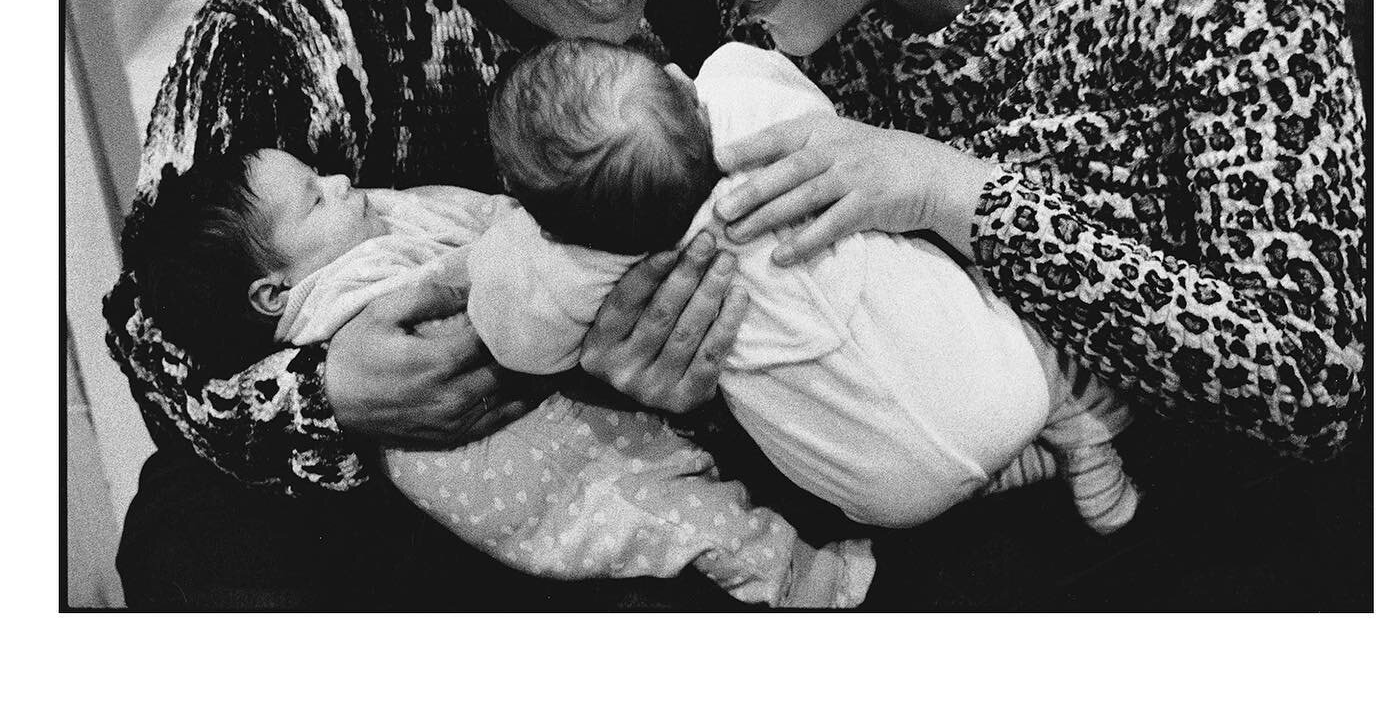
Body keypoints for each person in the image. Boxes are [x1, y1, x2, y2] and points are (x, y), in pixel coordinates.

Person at [602, 0, 1370, 605]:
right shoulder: (776, 30)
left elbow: (1309, 382)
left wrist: (951, 190)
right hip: (953, 532)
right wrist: (691, 369)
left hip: (1232, 540)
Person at [107, 0, 757, 610]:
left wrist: (699, 363)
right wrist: (325, 399)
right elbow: (149, 338)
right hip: (367, 499)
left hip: (619, 473)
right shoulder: (285, 20)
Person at [128, 147, 873, 607]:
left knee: (679, 497)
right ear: (271, 295)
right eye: (316, 195)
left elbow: (447, 223)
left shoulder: (353, 240)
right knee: (676, 521)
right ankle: (814, 588)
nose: (342, 176)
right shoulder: (344, 294)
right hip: (531, 482)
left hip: (563, 432)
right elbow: (477, 286)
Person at [474, 36, 1139, 533]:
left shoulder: (577, 264)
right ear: (681, 85)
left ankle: (1010, 469)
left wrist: (512, 246)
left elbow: (517, 341)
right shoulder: (749, 116)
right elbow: (773, 79)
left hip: (889, 495)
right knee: (1013, 318)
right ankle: (1078, 433)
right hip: (1004, 373)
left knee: (923, 467)